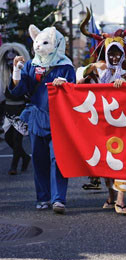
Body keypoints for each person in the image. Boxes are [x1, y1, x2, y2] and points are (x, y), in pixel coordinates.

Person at [79, 0, 126, 215]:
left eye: (118, 53)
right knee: (106, 160)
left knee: (122, 159)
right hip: (102, 123)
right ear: (105, 54)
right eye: (111, 53)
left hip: (125, 123)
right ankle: (110, 195)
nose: (114, 57)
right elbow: (79, 84)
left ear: (123, 54)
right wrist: (88, 70)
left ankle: (121, 199)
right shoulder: (98, 69)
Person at [9, 25, 76, 214]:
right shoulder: (31, 65)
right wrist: (16, 70)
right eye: (36, 42)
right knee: (39, 159)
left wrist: (66, 85)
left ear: (56, 44)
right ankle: (43, 197)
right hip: (37, 117)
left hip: (59, 119)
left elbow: (74, 92)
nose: (38, 47)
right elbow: (20, 90)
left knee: (59, 159)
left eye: (44, 43)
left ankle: (58, 199)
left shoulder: (65, 66)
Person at [0, 43, 30, 175]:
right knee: (8, 138)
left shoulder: (23, 71)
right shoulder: (3, 73)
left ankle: (14, 166)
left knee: (17, 138)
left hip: (21, 107)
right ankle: (25, 156)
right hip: (8, 108)